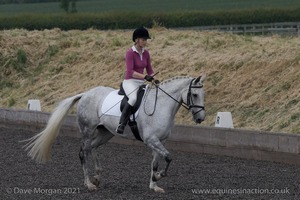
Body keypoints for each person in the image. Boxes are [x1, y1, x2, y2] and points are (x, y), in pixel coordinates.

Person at [116, 27, 157, 134]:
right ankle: (121, 123)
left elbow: (150, 70)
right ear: (137, 40)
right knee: (133, 98)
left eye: (146, 40)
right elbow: (130, 72)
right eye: (143, 40)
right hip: (130, 82)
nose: (145, 42)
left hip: (141, 83)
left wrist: (156, 80)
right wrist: (144, 77)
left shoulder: (146, 53)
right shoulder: (130, 53)